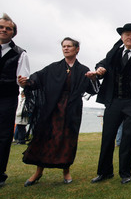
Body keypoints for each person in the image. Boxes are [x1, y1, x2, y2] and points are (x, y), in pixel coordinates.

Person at [18, 37, 98, 185]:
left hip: (72, 110)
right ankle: (38, 172)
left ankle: (66, 171)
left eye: (69, 46)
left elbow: (92, 90)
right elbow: (37, 79)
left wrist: (93, 79)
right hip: (51, 108)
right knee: (44, 137)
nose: (66, 48)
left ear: (77, 49)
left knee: (68, 140)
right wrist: (26, 82)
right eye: (63, 46)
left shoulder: (83, 70)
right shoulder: (53, 67)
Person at [88, 23, 131, 184]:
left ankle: (125, 173)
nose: (130, 37)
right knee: (108, 136)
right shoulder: (113, 53)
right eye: (127, 34)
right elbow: (101, 64)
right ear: (122, 37)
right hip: (113, 100)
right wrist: (100, 69)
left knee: (128, 138)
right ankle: (104, 172)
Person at [0, 13, 30, 187]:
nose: (4, 30)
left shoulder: (20, 53)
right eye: (1, 27)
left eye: (8, 28)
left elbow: (23, 76)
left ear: (13, 33)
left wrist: (23, 81)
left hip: (6, 96)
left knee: (3, 135)